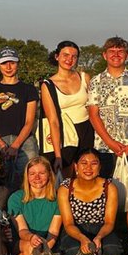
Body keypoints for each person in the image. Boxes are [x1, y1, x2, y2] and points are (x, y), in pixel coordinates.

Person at [87, 36, 128, 235]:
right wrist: (110, 142)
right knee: (106, 193)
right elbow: (94, 115)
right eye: (111, 52)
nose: (116, 55)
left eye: (120, 51)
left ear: (127, 55)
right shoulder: (96, 81)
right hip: (105, 148)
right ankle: (110, 238)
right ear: (105, 55)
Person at [0, 47, 39, 191]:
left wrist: (15, 146)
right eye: (4, 63)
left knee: (29, 179)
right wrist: (3, 145)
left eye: (12, 62)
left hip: (24, 141)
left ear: (18, 64)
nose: (8, 67)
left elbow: (30, 121)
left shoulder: (28, 89)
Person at [39, 40, 93, 179]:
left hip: (86, 130)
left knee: (86, 174)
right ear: (57, 56)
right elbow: (53, 121)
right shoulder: (48, 85)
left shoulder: (84, 77)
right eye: (66, 55)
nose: (69, 59)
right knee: (66, 177)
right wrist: (58, 154)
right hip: (64, 134)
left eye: (74, 56)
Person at [57, 149, 122, 255]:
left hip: (102, 228)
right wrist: (82, 238)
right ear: (76, 167)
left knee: (112, 249)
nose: (88, 168)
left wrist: (99, 237)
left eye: (94, 163)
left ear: (100, 167)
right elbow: (68, 223)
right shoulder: (65, 189)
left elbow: (109, 222)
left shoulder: (109, 187)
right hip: (76, 229)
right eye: (84, 163)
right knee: (74, 251)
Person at [7, 157, 62, 255]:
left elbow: (53, 232)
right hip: (23, 241)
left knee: (36, 250)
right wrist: (32, 238)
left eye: (42, 173)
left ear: (49, 175)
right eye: (32, 174)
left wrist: (44, 249)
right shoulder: (16, 198)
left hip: (48, 242)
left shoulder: (58, 199)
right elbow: (22, 230)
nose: (37, 177)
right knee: (30, 248)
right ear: (27, 176)